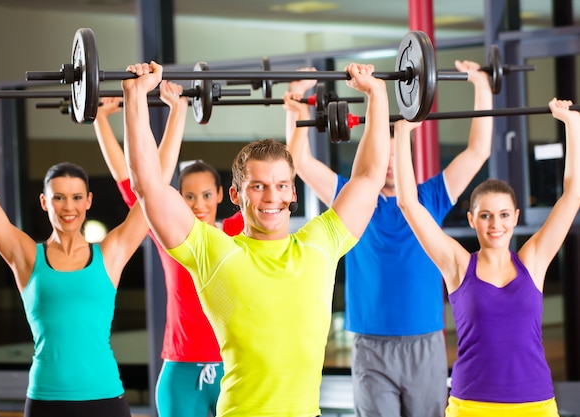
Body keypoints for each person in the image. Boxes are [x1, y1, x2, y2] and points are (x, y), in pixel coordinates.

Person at [120, 61, 390, 417]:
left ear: (293, 193)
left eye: (280, 186)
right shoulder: (215, 251)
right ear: (235, 195)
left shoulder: (320, 244)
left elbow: (370, 177)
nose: (271, 197)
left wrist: (378, 94)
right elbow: (148, 185)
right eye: (258, 186)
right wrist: (135, 95)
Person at [284, 60, 493, 417]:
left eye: (399, 155)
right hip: (370, 344)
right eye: (387, 155)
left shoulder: (430, 199)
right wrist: (299, 104)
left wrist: (481, 85)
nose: (392, 163)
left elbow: (478, 152)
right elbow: (298, 162)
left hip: (424, 340)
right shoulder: (351, 199)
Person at [0, 81, 150, 417]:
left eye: (76, 197)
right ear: (45, 202)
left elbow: (152, 188)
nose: (68, 207)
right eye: (58, 197)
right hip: (47, 401)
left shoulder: (111, 253)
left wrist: (139, 99)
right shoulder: (27, 256)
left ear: (88, 201)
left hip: (106, 399)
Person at [394, 98, 580, 417]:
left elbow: (573, 194)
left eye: (504, 215)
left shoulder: (533, 260)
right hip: (471, 406)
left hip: (535, 404)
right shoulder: (458, 265)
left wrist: (571, 124)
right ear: (471, 219)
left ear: (516, 217)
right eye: (486, 215)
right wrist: (402, 135)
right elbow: (409, 204)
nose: (496, 225)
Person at [93, 84, 243, 417]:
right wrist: (100, 118)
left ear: (222, 194)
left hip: (232, 368)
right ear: (178, 197)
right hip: (180, 368)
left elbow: (267, 196)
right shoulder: (169, 236)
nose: (198, 204)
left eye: (206, 195)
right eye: (188, 196)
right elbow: (132, 180)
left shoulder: (235, 232)